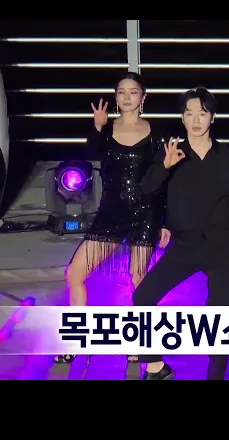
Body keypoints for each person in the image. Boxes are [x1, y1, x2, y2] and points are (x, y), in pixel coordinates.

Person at [132, 86, 229, 381]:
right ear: (182, 118)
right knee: (143, 296)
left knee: (219, 318)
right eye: (189, 114)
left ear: (213, 117)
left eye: (202, 113)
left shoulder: (228, 157)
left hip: (222, 244)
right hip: (184, 245)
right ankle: (156, 366)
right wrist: (164, 166)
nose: (196, 120)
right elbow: (146, 190)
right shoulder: (172, 153)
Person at [55, 72, 169, 365]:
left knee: (139, 279)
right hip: (111, 213)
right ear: (116, 97)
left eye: (133, 92)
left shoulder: (157, 133)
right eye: (121, 92)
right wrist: (97, 126)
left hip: (146, 213)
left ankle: (142, 345)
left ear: (143, 97)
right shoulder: (105, 130)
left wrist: (166, 221)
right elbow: (91, 153)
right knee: (75, 273)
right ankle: (76, 341)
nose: (127, 97)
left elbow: (165, 178)